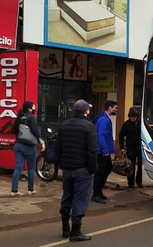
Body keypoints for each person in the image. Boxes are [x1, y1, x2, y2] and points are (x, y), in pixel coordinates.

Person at [55, 99, 97, 242]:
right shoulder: (89, 127)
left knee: (67, 196)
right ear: (86, 111)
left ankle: (65, 228)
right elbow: (92, 151)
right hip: (82, 170)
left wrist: (61, 164)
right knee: (80, 199)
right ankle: (76, 231)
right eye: (88, 110)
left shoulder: (64, 126)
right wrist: (92, 169)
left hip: (67, 169)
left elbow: (58, 148)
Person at [10, 101, 45, 196]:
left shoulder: (19, 117)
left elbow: (13, 130)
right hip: (28, 146)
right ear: (30, 109)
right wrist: (41, 141)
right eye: (34, 107)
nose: (35, 108)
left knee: (18, 168)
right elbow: (35, 131)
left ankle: (14, 190)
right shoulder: (31, 117)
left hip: (18, 145)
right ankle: (30, 189)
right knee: (30, 168)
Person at [92, 100, 117, 203]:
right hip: (101, 152)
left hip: (103, 150)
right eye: (115, 108)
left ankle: (98, 191)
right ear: (110, 108)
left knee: (107, 169)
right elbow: (101, 135)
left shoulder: (104, 119)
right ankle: (96, 193)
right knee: (100, 173)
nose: (116, 110)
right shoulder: (104, 120)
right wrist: (105, 150)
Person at [119, 107, 143, 189]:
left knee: (140, 166)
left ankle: (139, 181)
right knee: (131, 166)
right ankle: (131, 183)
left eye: (134, 117)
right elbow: (121, 135)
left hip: (140, 148)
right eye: (131, 117)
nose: (133, 118)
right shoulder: (126, 124)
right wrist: (122, 147)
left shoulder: (141, 123)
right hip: (130, 148)